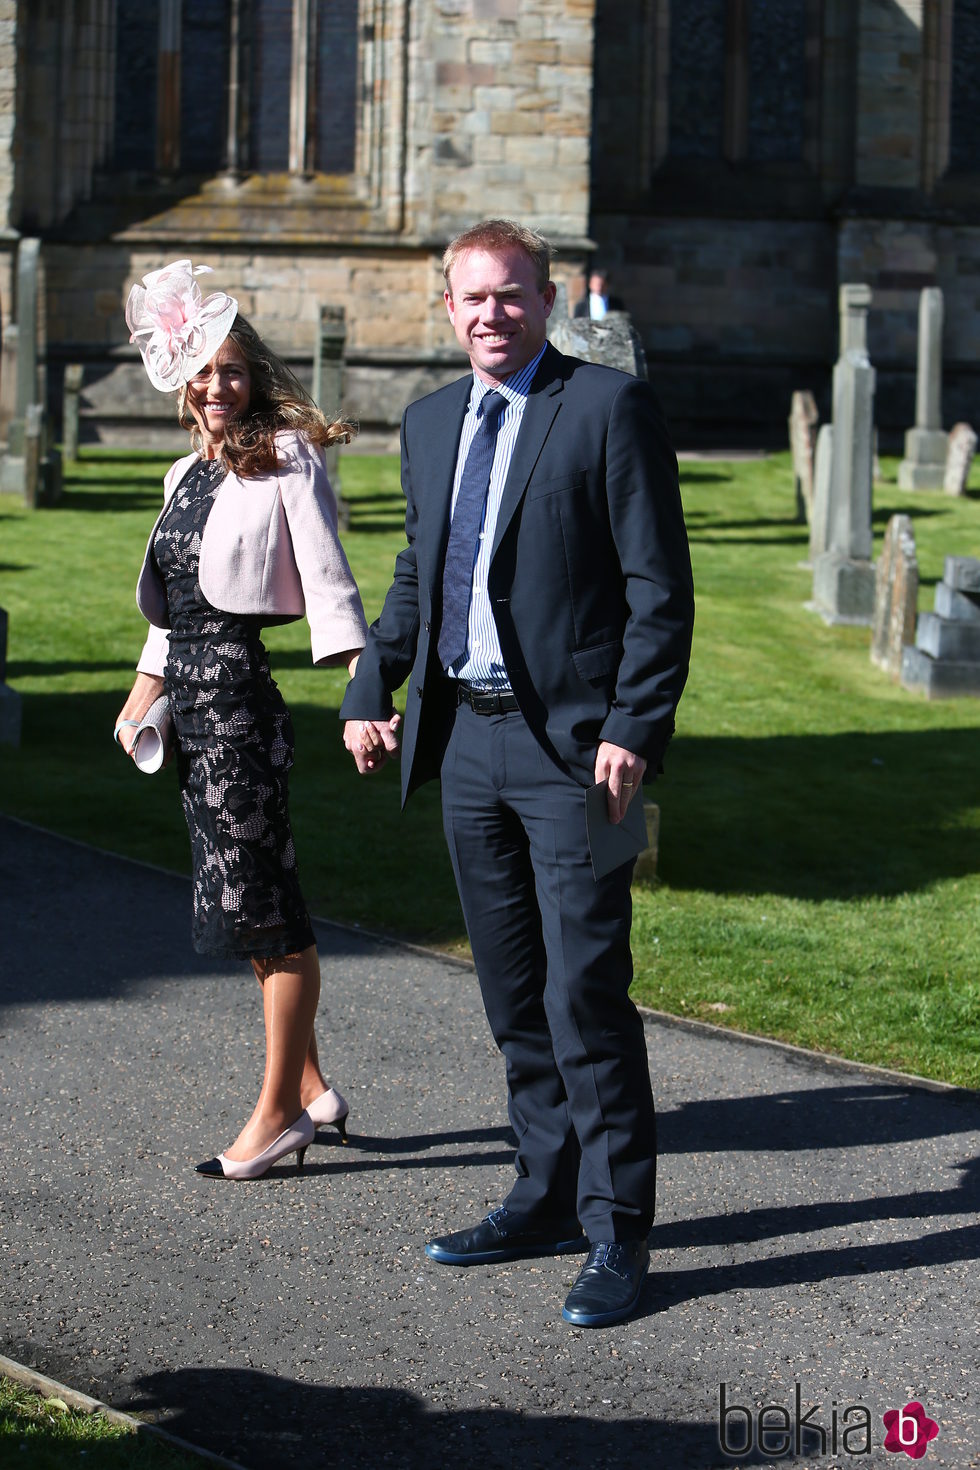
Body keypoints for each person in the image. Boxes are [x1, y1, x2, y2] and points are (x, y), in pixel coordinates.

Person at [341, 219, 694, 1327]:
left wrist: (633, 726)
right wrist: (372, 683)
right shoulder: (430, 421)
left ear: (544, 301)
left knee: (584, 991)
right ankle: (540, 1194)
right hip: (468, 749)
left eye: (509, 296)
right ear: (446, 310)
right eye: (469, 299)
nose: (488, 314)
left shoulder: (604, 408)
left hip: (580, 757)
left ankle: (614, 1232)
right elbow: (418, 569)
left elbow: (657, 588)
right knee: (509, 992)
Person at [116, 260, 368, 1180]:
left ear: (252, 376)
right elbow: (171, 601)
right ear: (183, 384)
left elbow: (331, 582)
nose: (217, 385)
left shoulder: (285, 461)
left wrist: (362, 691)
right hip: (189, 702)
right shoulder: (185, 472)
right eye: (202, 371)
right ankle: (310, 1087)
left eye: (232, 369)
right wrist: (145, 688)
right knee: (245, 904)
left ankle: (274, 1118)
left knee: (267, 910)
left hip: (237, 707)